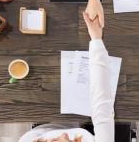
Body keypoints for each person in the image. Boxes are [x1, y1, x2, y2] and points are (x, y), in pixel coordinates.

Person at [18, 12, 114, 142]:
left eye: (54, 141)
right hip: (77, 123)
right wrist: (96, 39)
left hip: (45, 127)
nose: (64, 135)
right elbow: (102, 103)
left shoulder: (27, 140)